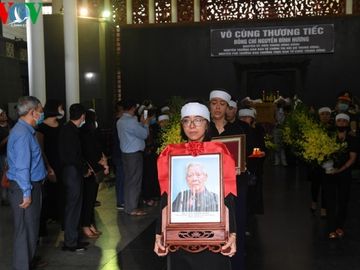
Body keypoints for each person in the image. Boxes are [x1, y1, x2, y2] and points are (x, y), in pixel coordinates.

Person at [154, 102, 237, 270]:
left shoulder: (220, 151)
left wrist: (233, 234)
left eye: (198, 120)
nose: (192, 125)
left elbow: (228, 196)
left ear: (207, 124)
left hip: (213, 238)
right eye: (186, 120)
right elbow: (165, 197)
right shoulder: (170, 153)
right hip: (180, 240)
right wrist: (159, 235)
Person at [6, 96, 47, 270]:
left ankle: (27, 262)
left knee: (30, 229)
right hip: (25, 186)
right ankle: (22, 266)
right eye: (40, 111)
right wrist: (27, 193)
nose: (42, 114)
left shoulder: (24, 131)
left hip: (29, 184)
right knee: (25, 231)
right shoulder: (23, 134)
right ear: (32, 112)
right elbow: (23, 167)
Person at [58, 103, 88, 251]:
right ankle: (71, 242)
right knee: (73, 206)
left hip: (71, 170)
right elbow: (72, 156)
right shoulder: (70, 131)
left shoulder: (68, 129)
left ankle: (73, 239)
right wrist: (84, 169)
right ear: (82, 116)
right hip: (72, 171)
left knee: (74, 205)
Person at [324, 113, 358, 239]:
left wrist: (340, 170)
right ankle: (331, 227)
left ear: (348, 124)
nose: (342, 123)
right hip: (329, 174)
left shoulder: (352, 139)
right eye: (339, 121)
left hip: (344, 174)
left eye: (344, 121)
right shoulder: (329, 136)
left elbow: (352, 158)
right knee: (330, 201)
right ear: (336, 122)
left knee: (343, 201)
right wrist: (328, 167)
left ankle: (339, 226)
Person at [117, 99, 152, 216]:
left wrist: (141, 124)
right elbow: (144, 134)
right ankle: (132, 208)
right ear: (132, 108)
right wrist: (146, 124)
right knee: (135, 182)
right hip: (134, 155)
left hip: (126, 154)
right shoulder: (131, 121)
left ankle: (128, 206)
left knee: (128, 181)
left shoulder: (120, 121)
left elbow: (134, 132)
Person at [36, 99, 64, 237]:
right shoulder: (41, 128)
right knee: (48, 193)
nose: (62, 110)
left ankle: (59, 216)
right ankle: (46, 220)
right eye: (60, 108)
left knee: (61, 191)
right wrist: (48, 166)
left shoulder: (62, 125)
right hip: (50, 163)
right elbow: (41, 149)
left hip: (62, 163)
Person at [80, 109, 109, 238]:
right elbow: (93, 152)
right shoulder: (88, 133)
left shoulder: (86, 132)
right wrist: (103, 163)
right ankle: (86, 225)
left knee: (90, 200)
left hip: (91, 169)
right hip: (91, 170)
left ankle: (89, 223)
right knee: (89, 200)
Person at [308, 107, 332, 217]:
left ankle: (324, 208)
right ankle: (314, 202)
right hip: (316, 161)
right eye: (323, 114)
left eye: (327, 114)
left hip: (328, 161)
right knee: (315, 184)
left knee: (326, 185)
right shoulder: (314, 128)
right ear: (319, 115)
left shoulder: (333, 129)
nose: (325, 116)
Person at [112, 100, 125, 210]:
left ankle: (122, 200)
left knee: (121, 177)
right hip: (119, 153)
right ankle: (120, 201)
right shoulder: (119, 122)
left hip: (118, 153)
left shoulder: (118, 122)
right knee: (121, 177)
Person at [0, 108, 12, 206]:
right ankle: (4, 198)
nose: (4, 115)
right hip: (3, 155)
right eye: (1, 114)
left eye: (4, 113)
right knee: (4, 175)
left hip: (12, 154)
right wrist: (9, 136)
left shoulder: (10, 125)